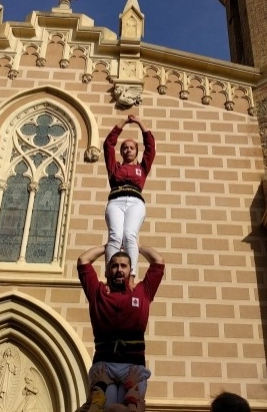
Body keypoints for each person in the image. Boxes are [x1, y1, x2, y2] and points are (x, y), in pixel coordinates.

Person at [77, 244, 165, 412]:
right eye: (114, 265)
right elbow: (83, 260)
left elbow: (158, 261)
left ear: (130, 270)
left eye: (123, 266)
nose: (119, 269)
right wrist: (108, 246)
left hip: (132, 366)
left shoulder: (143, 291)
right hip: (105, 366)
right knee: (107, 408)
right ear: (108, 270)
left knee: (130, 407)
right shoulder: (97, 292)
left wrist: (135, 245)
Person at [103, 115, 155, 278]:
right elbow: (108, 145)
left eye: (132, 148)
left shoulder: (142, 168)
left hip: (135, 202)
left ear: (136, 152)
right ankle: (110, 275)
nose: (128, 150)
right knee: (115, 236)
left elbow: (151, 147)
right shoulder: (114, 167)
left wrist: (140, 122)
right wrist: (123, 123)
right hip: (116, 202)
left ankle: (131, 275)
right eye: (125, 148)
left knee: (129, 236)